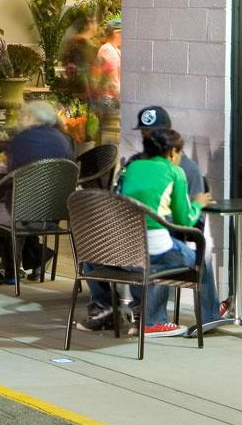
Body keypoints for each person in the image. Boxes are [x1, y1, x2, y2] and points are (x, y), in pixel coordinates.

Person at [76, 127, 220, 337]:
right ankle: (205, 320)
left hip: (120, 253)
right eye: (179, 153)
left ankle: (133, 314)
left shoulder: (131, 167)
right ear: (172, 152)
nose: (180, 158)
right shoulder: (175, 172)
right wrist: (198, 203)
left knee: (165, 250)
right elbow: (185, 220)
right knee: (202, 256)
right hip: (151, 253)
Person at [0, 100, 73, 286]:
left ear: (31, 118)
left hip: (21, 213)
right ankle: (12, 270)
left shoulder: (22, 140)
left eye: (23, 116)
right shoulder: (65, 140)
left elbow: (12, 172)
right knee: (8, 199)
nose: (20, 120)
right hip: (54, 214)